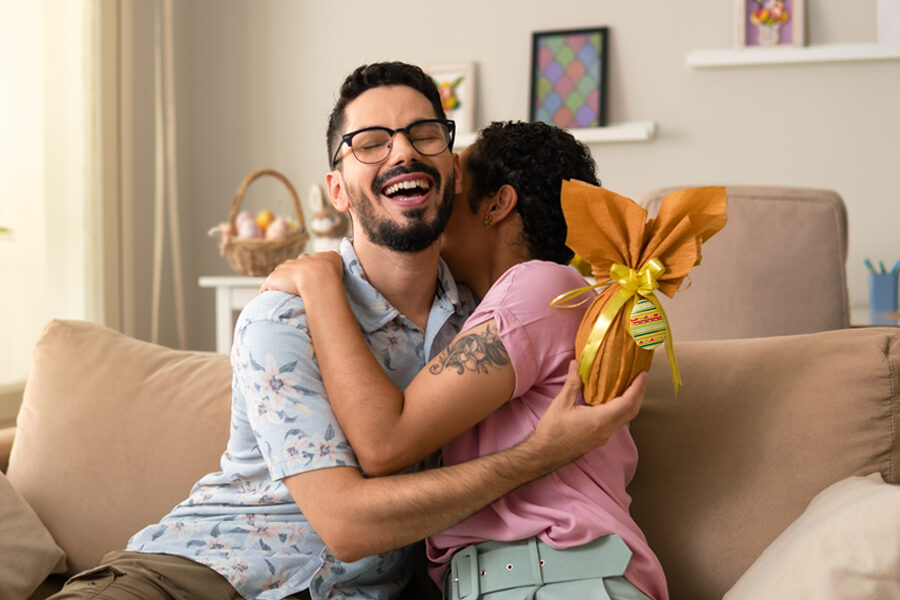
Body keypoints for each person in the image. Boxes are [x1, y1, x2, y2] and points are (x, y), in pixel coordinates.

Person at [49, 62, 645, 600]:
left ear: (454, 173)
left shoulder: (484, 315)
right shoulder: (283, 315)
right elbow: (348, 524)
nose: (402, 153)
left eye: (424, 135)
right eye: (370, 143)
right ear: (337, 190)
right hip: (194, 576)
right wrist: (536, 456)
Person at [261, 120, 667, 600]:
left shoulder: (540, 288)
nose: (433, 203)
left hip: (561, 578)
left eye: (453, 187)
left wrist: (321, 282)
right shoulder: (491, 311)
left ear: (497, 204)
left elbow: (385, 441)